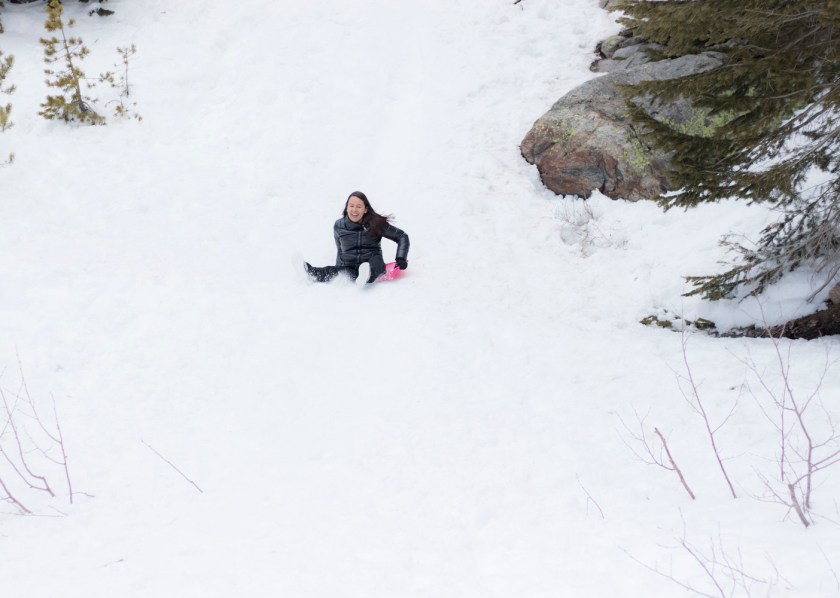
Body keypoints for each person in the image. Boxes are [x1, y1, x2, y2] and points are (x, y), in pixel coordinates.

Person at [304, 191, 410, 284]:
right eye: (351, 206)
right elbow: (340, 250)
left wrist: (401, 258)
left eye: (358, 206)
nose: (354, 210)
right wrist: (338, 268)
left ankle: (367, 274)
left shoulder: (375, 223)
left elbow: (402, 236)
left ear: (365, 209)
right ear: (347, 208)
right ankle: (309, 271)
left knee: (376, 263)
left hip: (372, 263)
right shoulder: (339, 226)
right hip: (350, 267)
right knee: (334, 271)